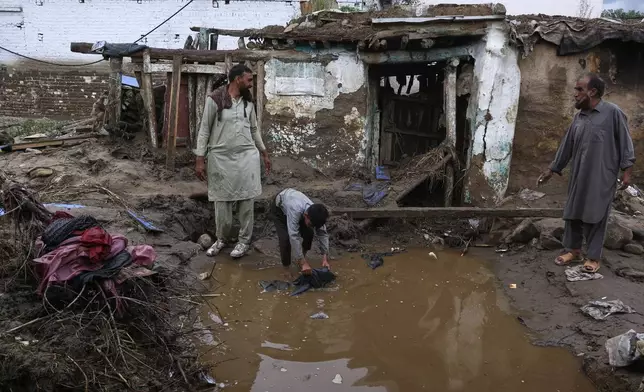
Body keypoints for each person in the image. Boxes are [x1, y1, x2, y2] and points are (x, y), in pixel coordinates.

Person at [538, 73, 635, 273]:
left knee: (595, 215)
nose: (575, 94)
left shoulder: (613, 113)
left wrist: (627, 172)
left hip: (602, 175)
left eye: (579, 89)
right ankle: (573, 250)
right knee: (573, 213)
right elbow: (567, 146)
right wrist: (552, 169)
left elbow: (626, 143)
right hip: (578, 176)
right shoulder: (579, 117)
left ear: (593, 92)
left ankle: (592, 257)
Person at [194, 64, 271, 259]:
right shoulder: (215, 100)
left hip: (246, 158)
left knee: (246, 201)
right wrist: (200, 159)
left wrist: (264, 152)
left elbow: (254, 130)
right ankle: (221, 239)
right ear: (237, 79)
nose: (251, 84)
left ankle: (243, 241)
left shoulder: (248, 103)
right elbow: (204, 130)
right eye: (249, 80)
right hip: (220, 159)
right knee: (222, 202)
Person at [271, 188, 331, 274]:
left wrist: (325, 257)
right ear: (306, 216)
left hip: (296, 206)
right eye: (311, 224)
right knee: (285, 240)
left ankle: (300, 259)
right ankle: (286, 269)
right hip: (279, 210)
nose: (313, 226)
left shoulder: (317, 214)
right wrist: (303, 263)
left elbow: (323, 234)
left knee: (309, 233)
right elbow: (294, 236)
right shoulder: (295, 209)